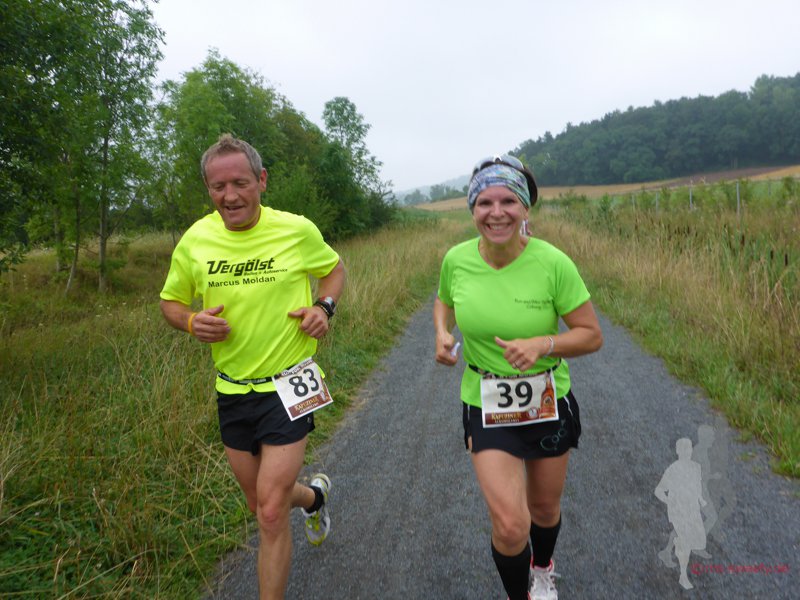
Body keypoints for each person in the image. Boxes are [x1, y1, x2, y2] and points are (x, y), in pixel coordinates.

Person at [159, 134, 346, 600]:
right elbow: (170, 303)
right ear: (208, 189)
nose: (230, 196)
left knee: (270, 512)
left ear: (261, 180)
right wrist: (191, 321)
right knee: (260, 502)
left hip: (291, 382)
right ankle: (315, 498)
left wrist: (323, 307)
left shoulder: (296, 230)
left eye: (240, 183)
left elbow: (333, 269)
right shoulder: (196, 240)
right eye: (218, 186)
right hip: (232, 388)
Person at [434, 155, 602, 600]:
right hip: (485, 400)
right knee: (510, 525)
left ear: (525, 207)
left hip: (547, 398)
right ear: (472, 209)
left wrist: (543, 344)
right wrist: (441, 331)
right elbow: (444, 299)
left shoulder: (553, 263)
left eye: (508, 201)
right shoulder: (457, 260)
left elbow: (591, 335)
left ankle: (543, 567)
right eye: (484, 203)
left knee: (543, 509)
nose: (497, 212)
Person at [655, 438, 707, 590]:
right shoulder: (673, 469)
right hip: (678, 509)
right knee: (686, 540)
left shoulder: (696, 467)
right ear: (678, 451)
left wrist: (700, 499)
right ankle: (683, 576)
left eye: (689, 448)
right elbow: (659, 490)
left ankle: (671, 549)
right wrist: (669, 501)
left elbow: (697, 486)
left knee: (699, 540)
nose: (686, 452)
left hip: (692, 508)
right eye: (683, 449)